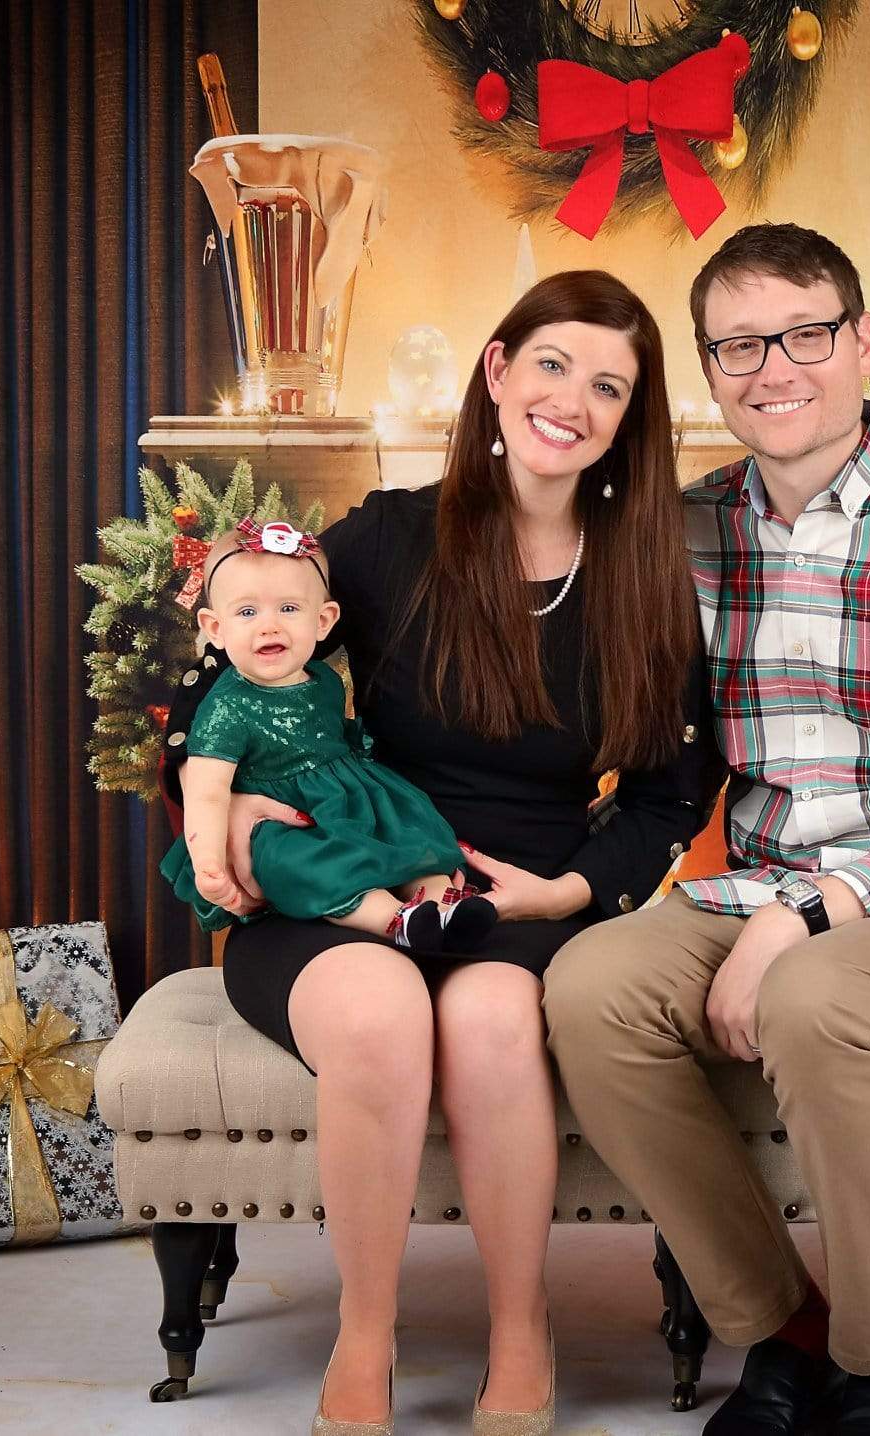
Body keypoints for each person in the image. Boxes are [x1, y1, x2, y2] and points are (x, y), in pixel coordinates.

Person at [161, 270, 721, 1436]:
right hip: (342, 879)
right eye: (553, 363)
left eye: (609, 385)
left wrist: (570, 887)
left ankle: (521, 1325)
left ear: (629, 419)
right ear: (498, 370)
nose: (572, 399)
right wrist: (232, 820)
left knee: (489, 1021)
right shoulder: (388, 538)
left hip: (524, 902)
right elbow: (235, 660)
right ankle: (367, 1329)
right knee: (374, 1014)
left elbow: (675, 789)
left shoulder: (643, 573)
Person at [544, 223, 870, 1436]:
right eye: (736, 345)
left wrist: (806, 915)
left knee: (819, 998)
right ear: (710, 370)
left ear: (863, 340)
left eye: (803, 334)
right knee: (588, 988)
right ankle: (778, 1326)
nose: (772, 368)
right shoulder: (685, 527)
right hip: (761, 888)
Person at [158, 518, 494, 950]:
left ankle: (443, 904)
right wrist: (208, 861)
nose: (269, 625)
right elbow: (206, 793)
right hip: (283, 822)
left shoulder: (323, 679)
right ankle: (396, 921)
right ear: (215, 628)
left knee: (407, 831)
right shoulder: (226, 706)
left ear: (324, 621)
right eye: (247, 612)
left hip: (344, 794)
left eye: (289, 608)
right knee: (306, 864)